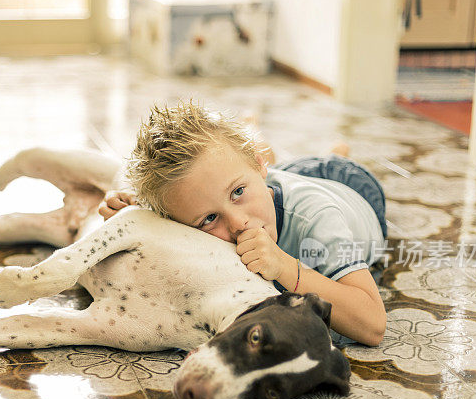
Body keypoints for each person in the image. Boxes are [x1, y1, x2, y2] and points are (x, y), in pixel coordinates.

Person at [98, 102, 386, 347]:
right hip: (275, 177)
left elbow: (373, 325)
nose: (238, 223)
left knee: (325, 162)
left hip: (348, 185)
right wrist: (134, 214)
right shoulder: (232, 187)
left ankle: (337, 152)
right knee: (255, 169)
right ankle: (257, 145)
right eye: (210, 219)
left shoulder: (319, 217)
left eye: (238, 193)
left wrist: (285, 267)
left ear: (257, 167)